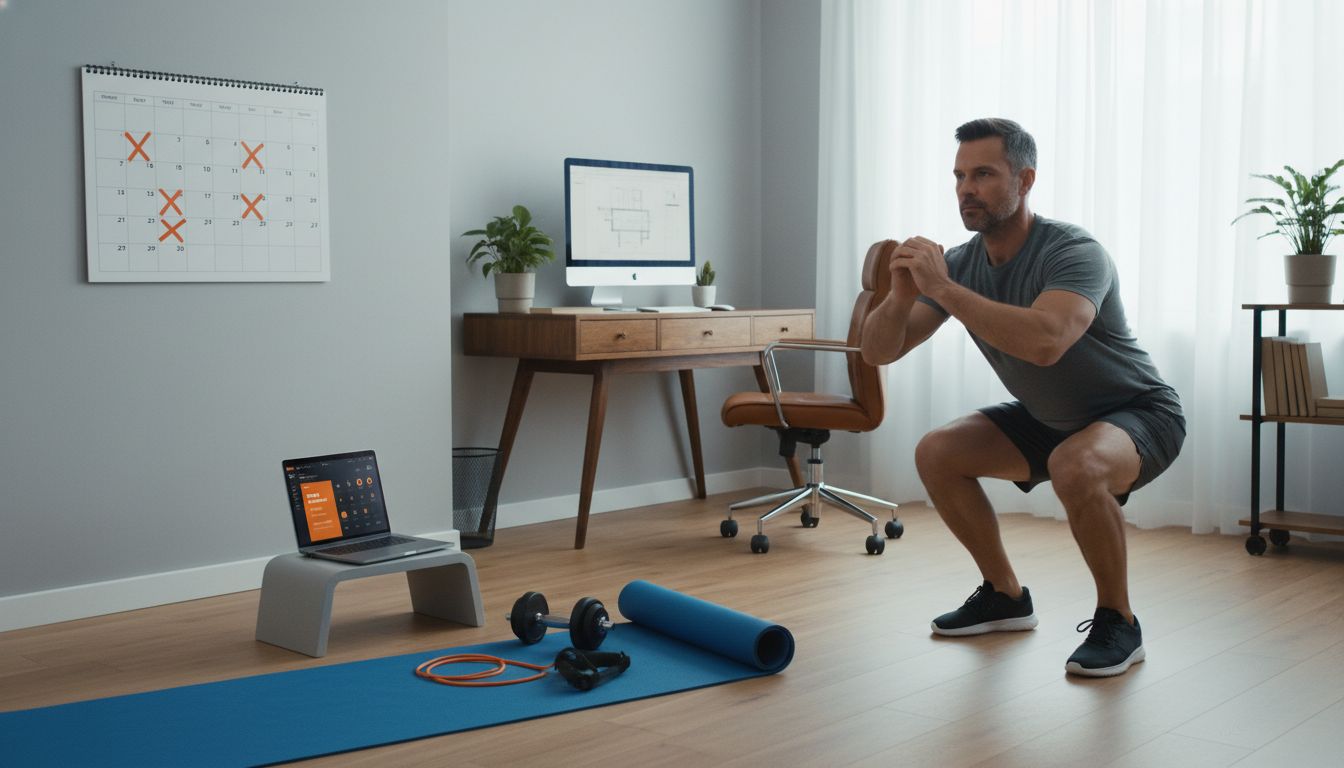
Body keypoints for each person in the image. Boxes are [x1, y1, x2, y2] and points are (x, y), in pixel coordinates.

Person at [859, 118, 1184, 677]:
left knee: (1075, 465)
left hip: (1138, 413)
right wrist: (899, 296)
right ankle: (1005, 595)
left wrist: (942, 289)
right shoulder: (961, 265)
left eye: (983, 174)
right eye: (959, 176)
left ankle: (1120, 623)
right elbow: (878, 352)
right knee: (938, 451)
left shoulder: (1074, 252)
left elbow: (1045, 342)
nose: (966, 188)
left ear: (1024, 179)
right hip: (1050, 418)